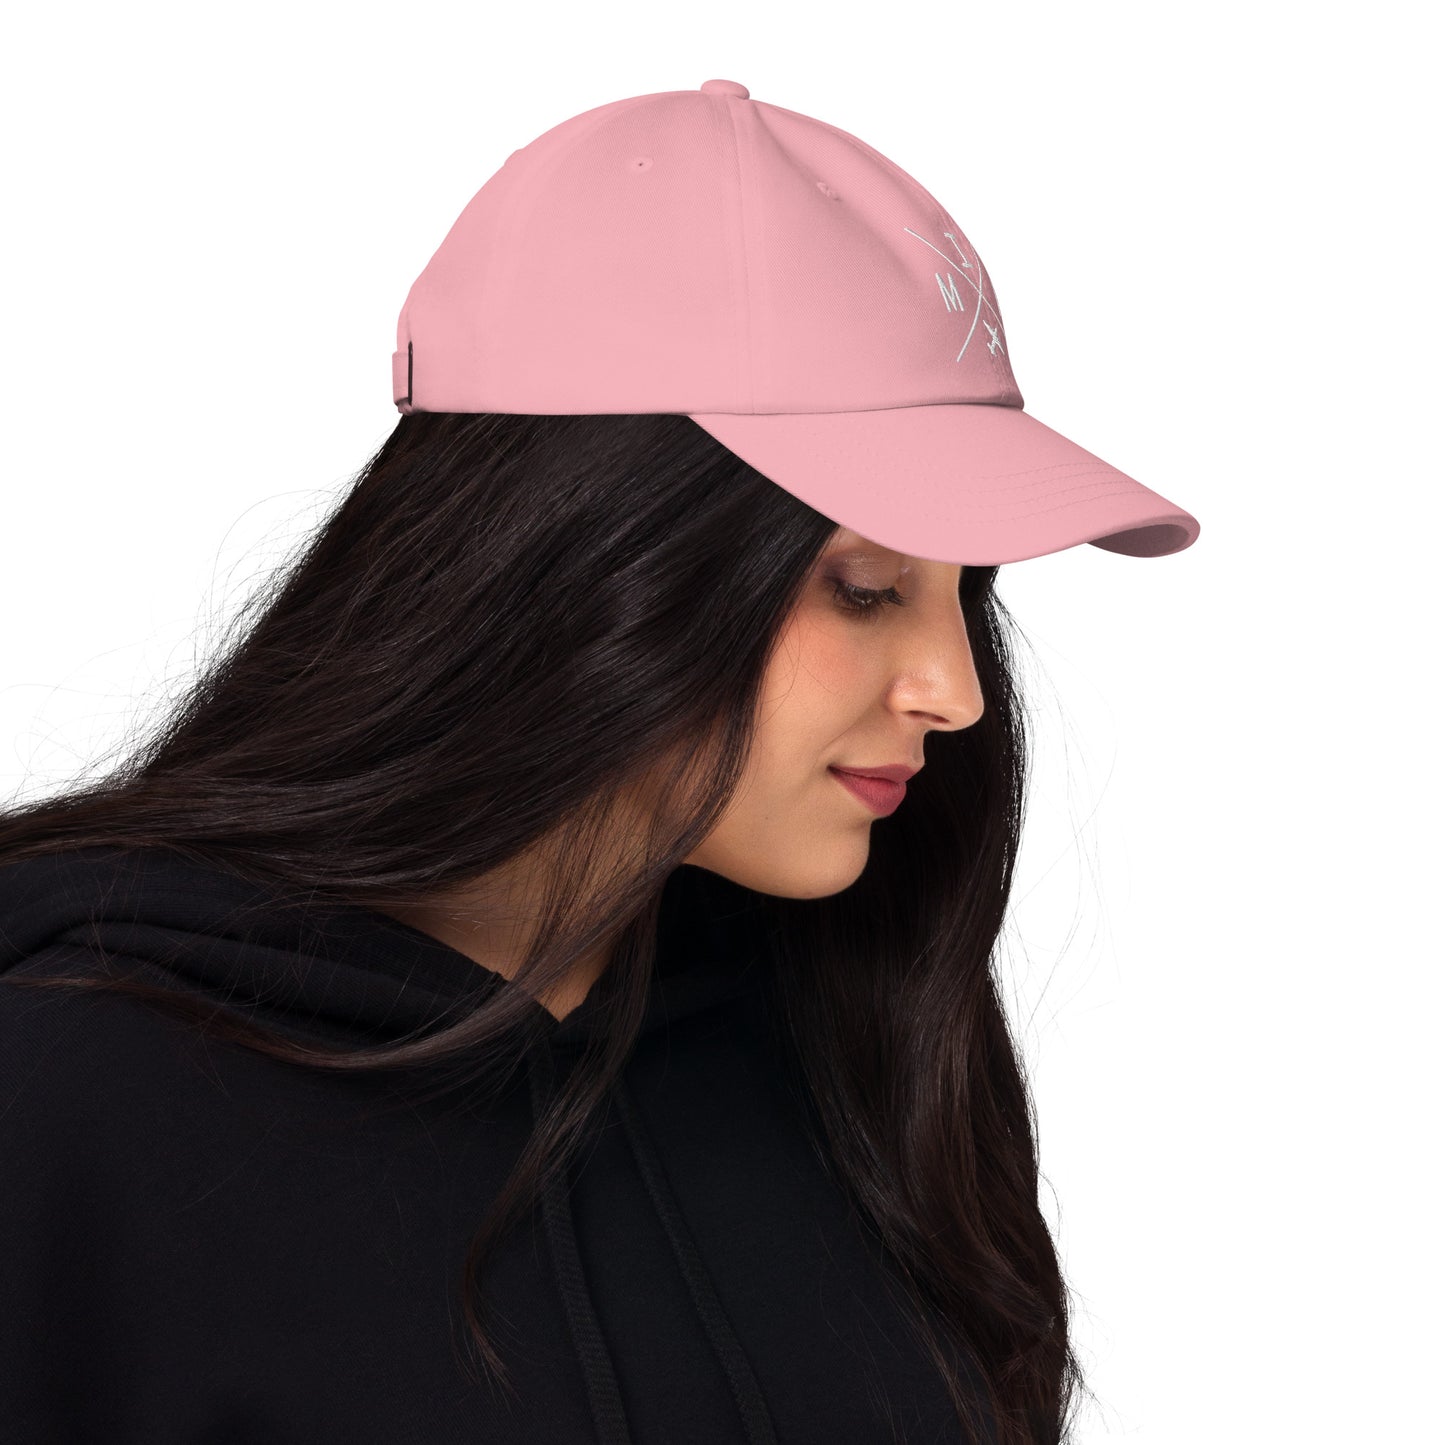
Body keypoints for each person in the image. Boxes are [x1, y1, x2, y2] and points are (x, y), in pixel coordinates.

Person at [0, 78, 1199, 1445]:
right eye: (866, 586)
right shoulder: (68, 1093)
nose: (956, 692)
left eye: (964, 590)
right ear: (591, 568)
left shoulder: (850, 1058)